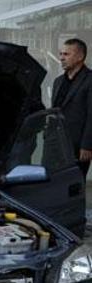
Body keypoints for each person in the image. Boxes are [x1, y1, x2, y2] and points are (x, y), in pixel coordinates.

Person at [52, 38, 92, 178]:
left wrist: (87, 145)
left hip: (77, 145)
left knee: (74, 187)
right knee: (52, 185)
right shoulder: (58, 81)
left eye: (66, 54)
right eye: (61, 54)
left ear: (80, 56)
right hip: (54, 143)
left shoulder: (90, 80)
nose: (62, 58)